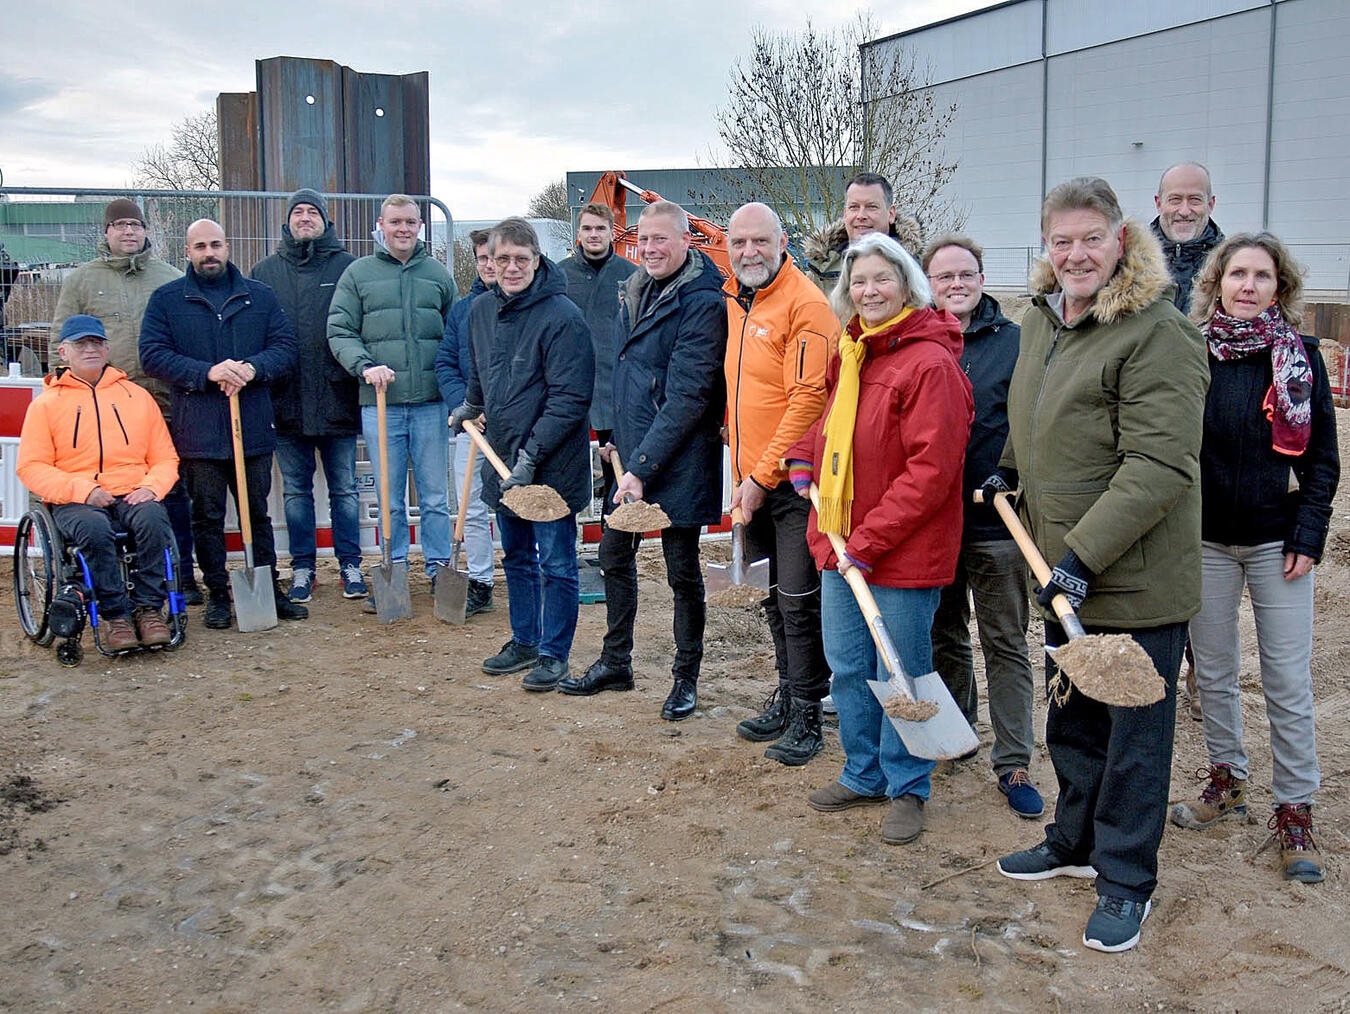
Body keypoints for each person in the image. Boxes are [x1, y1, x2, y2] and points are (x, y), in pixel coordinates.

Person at [993, 177, 1208, 954]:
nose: (1076, 254)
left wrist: (1082, 557)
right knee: (1074, 723)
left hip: (1133, 580)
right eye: (1062, 240)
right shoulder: (1042, 322)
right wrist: (1006, 470)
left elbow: (1160, 465)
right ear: (1046, 246)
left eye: (1091, 238)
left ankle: (1125, 880)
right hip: (1059, 572)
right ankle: (1073, 843)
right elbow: (1037, 418)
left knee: (1134, 741)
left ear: (1122, 238)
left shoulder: (1160, 333)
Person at [786, 233, 972, 846]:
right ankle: (861, 771)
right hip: (842, 543)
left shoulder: (930, 362)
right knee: (848, 665)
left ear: (907, 286)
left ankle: (907, 785)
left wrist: (868, 540)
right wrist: (804, 455)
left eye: (881, 279)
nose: (869, 290)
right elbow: (833, 420)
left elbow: (932, 471)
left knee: (903, 672)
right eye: (858, 281)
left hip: (899, 551)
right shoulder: (854, 350)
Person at [1170, 232, 1339, 885]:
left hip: (1277, 541)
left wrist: (1309, 533)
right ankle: (1228, 779)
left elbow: (1323, 460)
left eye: (1260, 275)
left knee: (1287, 682)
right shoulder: (1191, 354)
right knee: (1212, 673)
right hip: (1205, 539)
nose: (1247, 285)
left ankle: (1295, 810)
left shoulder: (1300, 359)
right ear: (1216, 281)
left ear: (1279, 286)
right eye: (1236, 273)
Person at [557, 201, 726, 721]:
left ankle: (685, 678)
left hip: (678, 459)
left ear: (685, 242)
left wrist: (641, 467)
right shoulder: (636, 289)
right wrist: (611, 437)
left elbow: (688, 396)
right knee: (613, 555)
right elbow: (626, 373)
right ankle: (616, 662)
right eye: (645, 240)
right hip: (632, 454)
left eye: (661, 240)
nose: (650, 249)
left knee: (681, 571)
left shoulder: (703, 302)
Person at [921, 234, 1042, 818]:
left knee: (1004, 640)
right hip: (935, 524)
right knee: (945, 633)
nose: (956, 284)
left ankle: (1014, 760)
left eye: (966, 274)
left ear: (982, 277)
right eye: (944, 277)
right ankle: (958, 729)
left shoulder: (1016, 345)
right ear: (928, 283)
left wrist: (1007, 471)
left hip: (996, 524)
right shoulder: (918, 343)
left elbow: (1031, 421)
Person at [139, 219, 306, 629]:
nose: (208, 253)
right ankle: (217, 592)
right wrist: (207, 373)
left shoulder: (259, 297)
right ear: (188, 252)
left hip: (251, 425)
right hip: (198, 430)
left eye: (215, 244)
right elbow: (152, 355)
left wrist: (251, 368)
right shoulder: (167, 300)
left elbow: (285, 348)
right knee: (207, 516)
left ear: (228, 247)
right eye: (200, 246)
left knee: (257, 513)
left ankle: (268, 588)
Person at [450, 218, 593, 690]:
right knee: (515, 555)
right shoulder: (480, 312)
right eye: (500, 259)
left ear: (537, 260)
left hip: (549, 464)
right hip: (502, 457)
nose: (510, 268)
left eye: (520, 259)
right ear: (488, 261)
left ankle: (555, 653)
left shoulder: (563, 317)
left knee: (555, 561)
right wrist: (470, 405)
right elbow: (482, 372)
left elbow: (570, 399)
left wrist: (531, 457)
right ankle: (525, 639)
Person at [721, 202, 833, 764]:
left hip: (791, 483)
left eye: (759, 241)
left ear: (782, 240)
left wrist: (761, 477)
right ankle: (787, 695)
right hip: (752, 479)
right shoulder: (736, 299)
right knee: (771, 596)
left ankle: (810, 712)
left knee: (796, 600)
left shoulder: (805, 305)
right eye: (738, 242)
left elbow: (808, 399)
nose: (748, 252)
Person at [49, 199, 200, 604]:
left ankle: (181, 576)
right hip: (103, 409)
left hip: (166, 404)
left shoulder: (169, 279)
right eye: (120, 226)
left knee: (171, 494)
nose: (129, 232)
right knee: (111, 493)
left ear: (146, 231)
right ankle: (116, 578)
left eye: (135, 224)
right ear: (106, 233)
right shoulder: (82, 281)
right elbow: (60, 340)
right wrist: (65, 395)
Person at [17, 315, 179, 651]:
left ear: (107, 348)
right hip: (75, 498)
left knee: (153, 519)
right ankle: (116, 616)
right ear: (64, 352)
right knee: (94, 531)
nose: (89, 349)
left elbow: (165, 458)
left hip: (133, 490)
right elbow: (32, 466)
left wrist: (151, 487)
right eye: (81, 344)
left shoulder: (136, 397)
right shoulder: (46, 405)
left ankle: (148, 609)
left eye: (96, 343)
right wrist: (84, 491)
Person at [327, 194, 457, 601]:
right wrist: (365, 365)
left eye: (410, 222)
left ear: (420, 226)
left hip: (431, 404)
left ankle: (439, 568)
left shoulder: (438, 274)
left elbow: (455, 336)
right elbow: (339, 330)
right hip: (381, 404)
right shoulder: (358, 274)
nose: (403, 229)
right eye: (395, 221)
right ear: (380, 225)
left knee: (435, 496)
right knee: (390, 498)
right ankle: (394, 569)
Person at [250, 188, 365, 603]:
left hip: (337, 400)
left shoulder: (350, 268)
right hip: (285, 403)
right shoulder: (264, 273)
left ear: (325, 220)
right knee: (296, 492)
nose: (304, 218)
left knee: (345, 490)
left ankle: (350, 565)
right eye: (297, 212)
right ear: (287, 221)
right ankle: (302, 567)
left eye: (311, 212)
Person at [434, 228, 497, 617]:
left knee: (521, 504)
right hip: (471, 427)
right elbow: (445, 362)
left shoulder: (526, 306)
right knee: (470, 509)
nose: (490, 265)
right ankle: (481, 580)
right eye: (482, 259)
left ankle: (537, 574)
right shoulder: (461, 310)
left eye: (495, 256)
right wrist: (466, 408)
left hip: (512, 427)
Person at [560, 201, 638, 505]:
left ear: (611, 232)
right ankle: (569, 550)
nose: (594, 235)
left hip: (615, 394)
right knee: (566, 478)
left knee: (617, 482)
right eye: (588, 228)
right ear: (578, 232)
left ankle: (615, 550)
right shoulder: (558, 275)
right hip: (569, 393)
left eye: (600, 228)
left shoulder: (633, 277)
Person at [802, 172, 923, 294]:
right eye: (854, 207)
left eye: (871, 207)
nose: (861, 216)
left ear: (891, 214)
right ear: (845, 214)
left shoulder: (920, 270)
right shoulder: (819, 274)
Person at [1151, 162, 1224, 313]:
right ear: (1159, 204)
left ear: (1210, 204)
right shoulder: (1128, 261)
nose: (1184, 211)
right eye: (1175, 199)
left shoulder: (1228, 265)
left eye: (1195, 200)